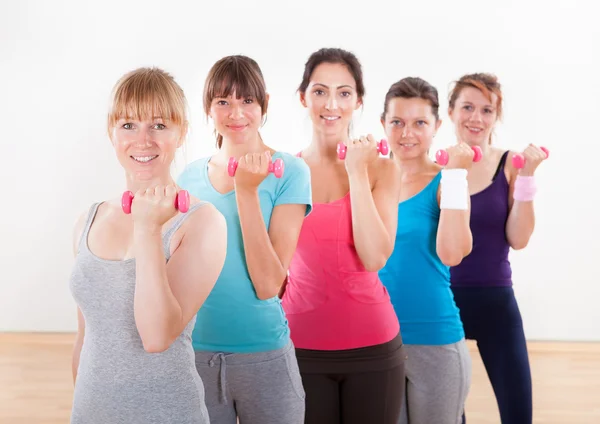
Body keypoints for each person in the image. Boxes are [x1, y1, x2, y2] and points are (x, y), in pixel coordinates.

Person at [69, 67, 227, 424]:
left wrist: (147, 227)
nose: (143, 140)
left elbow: (156, 336)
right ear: (112, 134)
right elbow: (86, 338)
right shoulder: (88, 220)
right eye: (128, 125)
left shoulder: (203, 223)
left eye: (158, 125)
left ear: (181, 132)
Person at [176, 54, 312, 424]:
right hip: (196, 356)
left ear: (264, 103)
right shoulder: (188, 178)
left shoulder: (291, 172)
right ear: (209, 108)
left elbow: (270, 284)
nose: (236, 113)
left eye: (247, 100)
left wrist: (246, 191)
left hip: (264, 356)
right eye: (223, 101)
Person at [280, 47, 405, 424]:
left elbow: (374, 257)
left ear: (358, 101)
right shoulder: (286, 171)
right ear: (303, 98)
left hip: (373, 348)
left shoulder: (382, 170)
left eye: (344, 92)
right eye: (319, 91)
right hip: (300, 348)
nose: (331, 103)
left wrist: (355, 171)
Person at [448, 73, 547, 424]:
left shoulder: (511, 165)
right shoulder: (434, 166)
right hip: (443, 305)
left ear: (496, 117)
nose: (476, 118)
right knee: (447, 414)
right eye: (468, 107)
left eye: (486, 110)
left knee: (518, 414)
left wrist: (529, 177)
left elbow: (518, 239)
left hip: (496, 302)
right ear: (451, 112)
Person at [377, 77, 474, 424]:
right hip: (378, 341)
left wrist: (455, 177)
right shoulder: (368, 182)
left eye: (420, 123)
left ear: (436, 127)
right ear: (383, 124)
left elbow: (452, 253)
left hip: (435, 339)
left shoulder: (445, 182)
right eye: (397, 122)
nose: (407, 133)